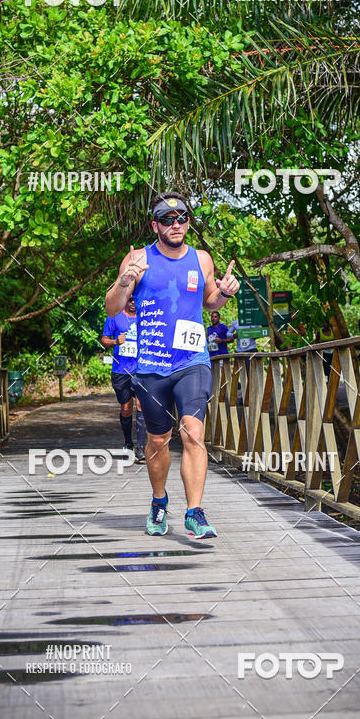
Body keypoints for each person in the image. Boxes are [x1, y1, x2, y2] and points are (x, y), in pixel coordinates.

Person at [105, 191, 240, 539]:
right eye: (167, 219)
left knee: (193, 433)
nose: (176, 224)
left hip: (192, 360)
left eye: (182, 218)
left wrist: (224, 292)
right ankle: (159, 500)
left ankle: (194, 512)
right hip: (150, 366)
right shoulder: (138, 258)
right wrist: (126, 280)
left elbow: (210, 302)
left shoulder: (202, 259)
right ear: (155, 225)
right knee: (158, 440)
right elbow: (112, 307)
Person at [101, 297, 147, 463]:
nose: (133, 303)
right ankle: (128, 443)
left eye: (136, 300)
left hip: (141, 370)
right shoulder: (115, 316)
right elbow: (104, 340)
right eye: (130, 300)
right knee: (126, 408)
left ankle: (141, 448)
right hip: (121, 370)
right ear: (125, 301)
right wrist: (115, 341)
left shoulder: (146, 316)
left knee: (142, 406)